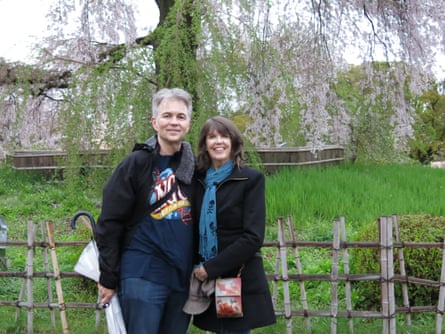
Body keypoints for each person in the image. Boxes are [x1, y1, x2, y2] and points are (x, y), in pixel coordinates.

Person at [94, 87, 195, 334]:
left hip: (181, 277)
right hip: (143, 273)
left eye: (180, 117)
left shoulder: (194, 168)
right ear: (154, 121)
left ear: (189, 124)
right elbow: (109, 222)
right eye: (167, 115)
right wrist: (108, 276)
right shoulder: (136, 164)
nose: (174, 122)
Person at [190, 116, 276, 333]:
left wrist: (210, 268)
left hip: (236, 277)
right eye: (212, 137)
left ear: (234, 142)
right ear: (205, 144)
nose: (218, 142)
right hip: (205, 278)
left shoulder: (249, 179)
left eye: (224, 136)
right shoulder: (197, 181)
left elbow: (253, 237)